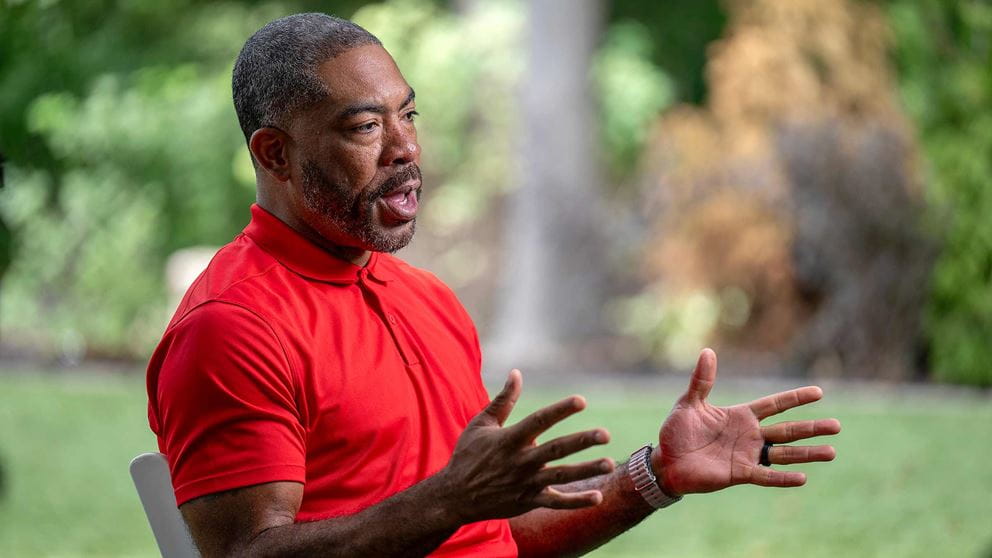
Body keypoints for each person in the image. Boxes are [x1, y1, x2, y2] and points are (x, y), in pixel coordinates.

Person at [146, 13, 841, 558]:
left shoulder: (427, 301)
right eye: (364, 125)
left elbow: (490, 538)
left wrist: (655, 474)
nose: (406, 148)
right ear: (275, 154)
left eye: (408, 115)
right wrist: (450, 500)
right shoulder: (234, 325)